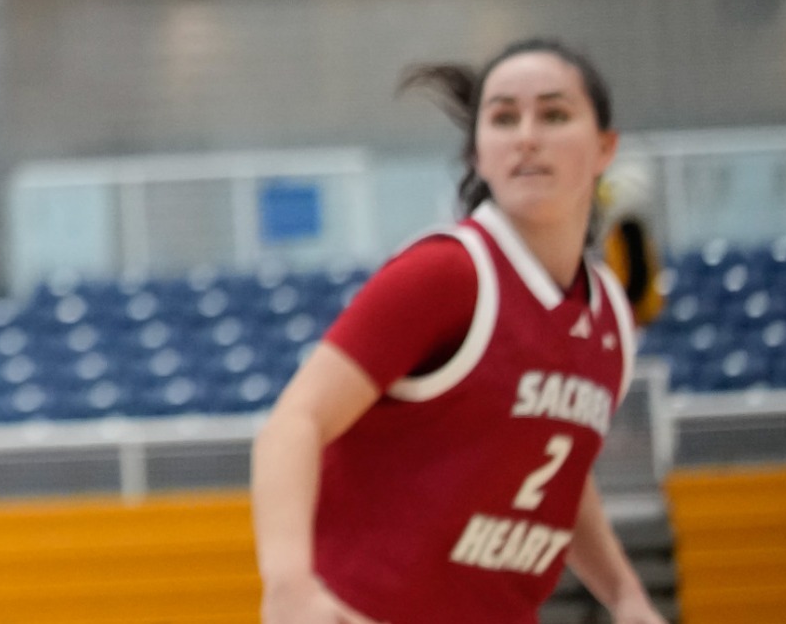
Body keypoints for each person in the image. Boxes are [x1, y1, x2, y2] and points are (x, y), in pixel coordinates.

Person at [251, 41, 667, 624]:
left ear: (604, 148)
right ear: (478, 154)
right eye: (504, 118)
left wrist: (625, 595)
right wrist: (288, 587)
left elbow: (557, 470)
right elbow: (293, 423)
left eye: (554, 114)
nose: (527, 137)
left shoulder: (611, 319)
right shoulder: (448, 274)